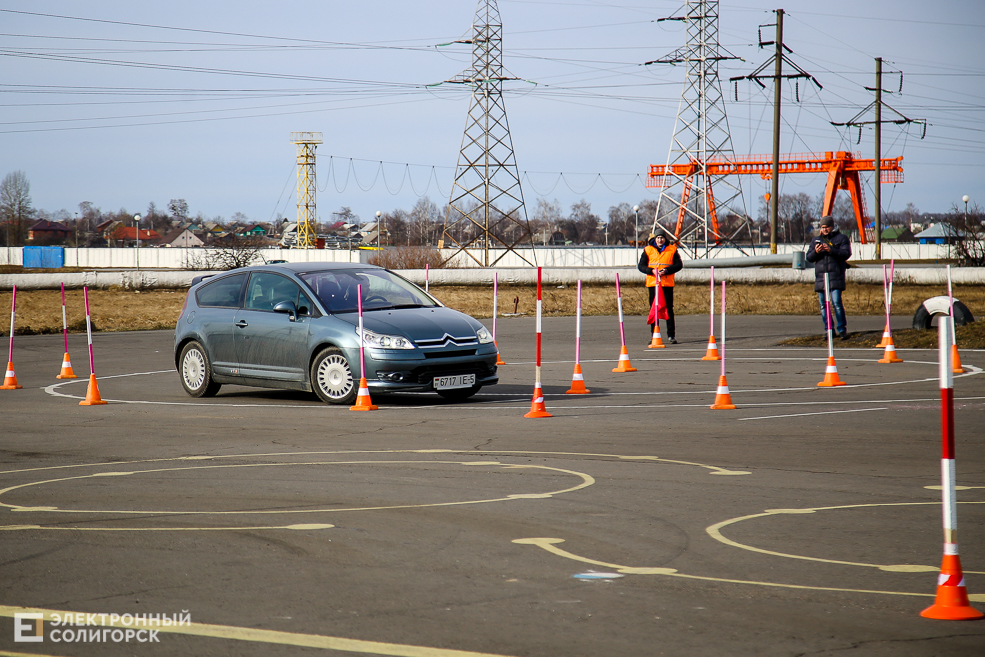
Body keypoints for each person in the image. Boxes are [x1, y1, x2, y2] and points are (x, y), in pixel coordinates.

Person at [806, 215, 852, 338]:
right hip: (821, 277)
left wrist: (831, 250)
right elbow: (809, 257)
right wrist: (816, 252)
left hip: (836, 275)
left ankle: (842, 329)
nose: (824, 229)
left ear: (832, 226)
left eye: (826, 227)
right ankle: (829, 330)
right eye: (822, 227)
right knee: (823, 305)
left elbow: (846, 253)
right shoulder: (816, 240)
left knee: (836, 302)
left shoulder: (841, 238)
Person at [638, 232, 683, 344]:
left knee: (669, 308)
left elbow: (679, 265)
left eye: (662, 238)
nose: (660, 240)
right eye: (658, 238)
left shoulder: (672, 249)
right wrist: (651, 271)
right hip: (653, 283)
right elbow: (641, 266)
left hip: (666, 283)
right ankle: (654, 335)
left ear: (665, 239)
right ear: (655, 239)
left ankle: (671, 335)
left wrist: (667, 270)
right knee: (654, 309)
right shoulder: (648, 250)